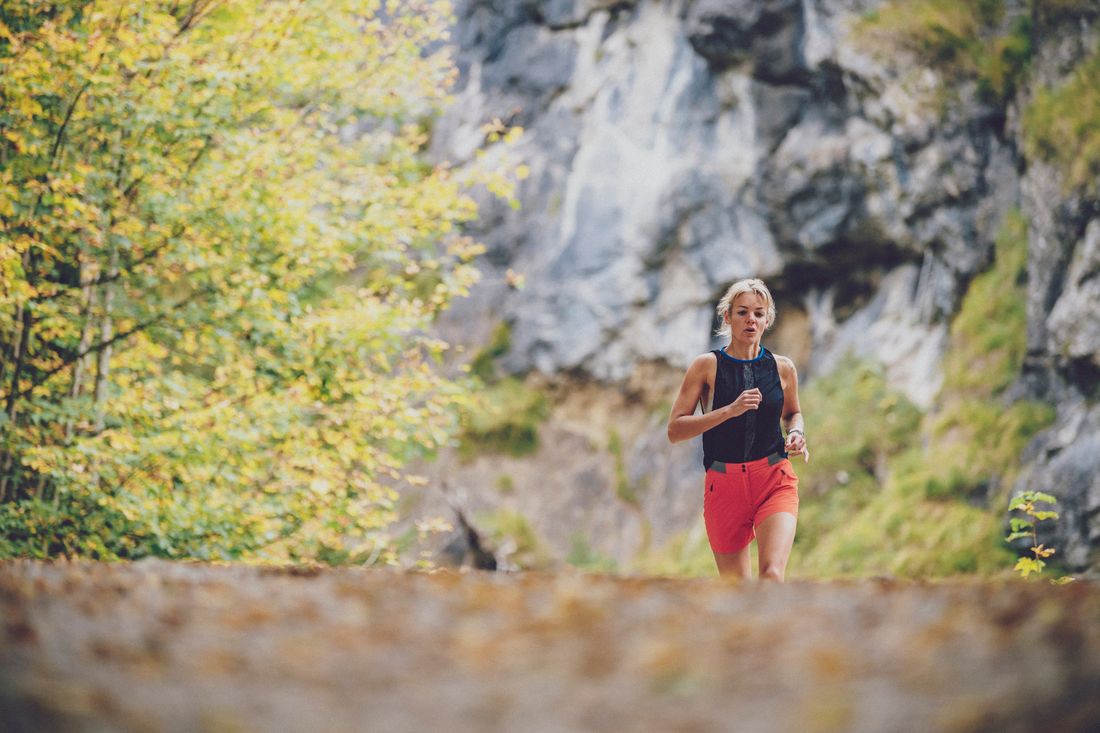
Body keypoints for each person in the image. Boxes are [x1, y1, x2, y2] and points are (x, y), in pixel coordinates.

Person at [666, 278, 807, 581]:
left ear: (767, 320)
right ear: (727, 317)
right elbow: (675, 430)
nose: (751, 320)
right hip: (723, 484)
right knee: (736, 590)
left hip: (774, 478)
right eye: (742, 312)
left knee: (772, 574)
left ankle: (776, 630)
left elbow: (793, 413)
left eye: (758, 313)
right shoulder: (706, 366)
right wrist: (729, 411)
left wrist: (796, 433)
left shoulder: (783, 368)